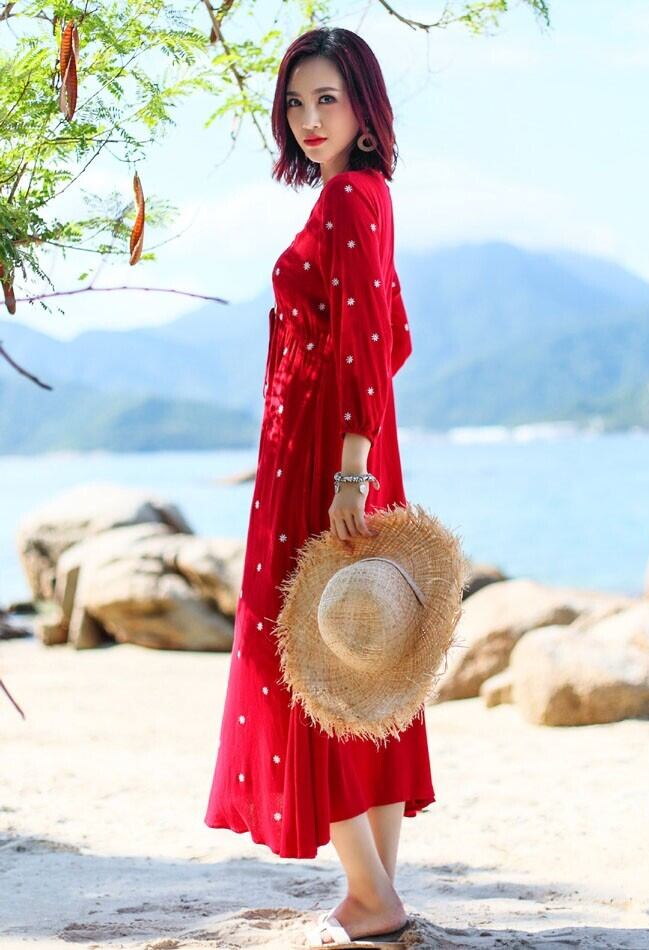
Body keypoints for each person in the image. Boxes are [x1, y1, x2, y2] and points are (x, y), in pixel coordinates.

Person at [204, 26, 433, 945]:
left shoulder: (346, 198)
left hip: (324, 461)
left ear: (364, 107)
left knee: (298, 662)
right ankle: (374, 893)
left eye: (326, 99)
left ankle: (372, 894)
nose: (308, 118)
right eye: (296, 103)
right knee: (362, 662)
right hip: (347, 448)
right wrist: (361, 448)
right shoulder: (370, 196)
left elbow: (370, 339)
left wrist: (344, 466)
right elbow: (393, 336)